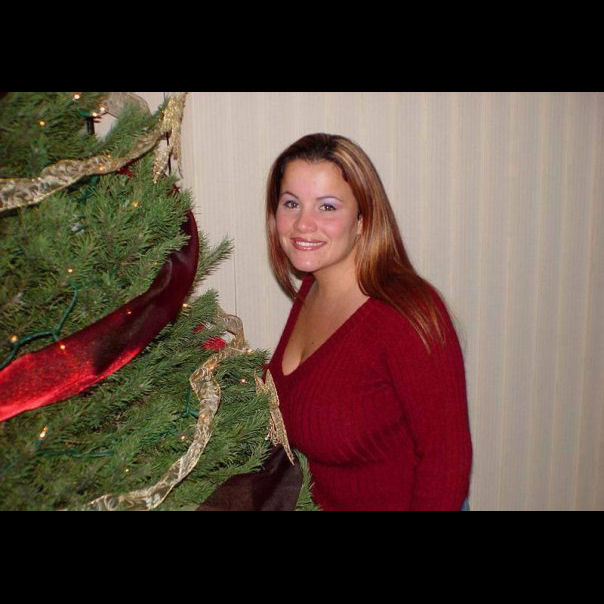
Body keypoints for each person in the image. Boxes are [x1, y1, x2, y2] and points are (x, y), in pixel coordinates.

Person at [265, 133, 472, 511]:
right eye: (291, 203)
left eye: (327, 207)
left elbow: (446, 463)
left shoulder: (408, 315)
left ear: (363, 219)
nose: (303, 224)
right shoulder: (313, 289)